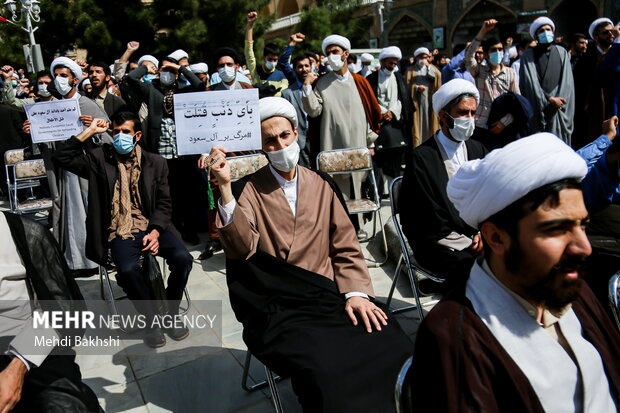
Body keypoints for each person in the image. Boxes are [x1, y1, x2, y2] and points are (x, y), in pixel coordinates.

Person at [209, 96, 412, 412]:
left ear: (296, 135)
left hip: (329, 294)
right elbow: (241, 248)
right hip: (279, 307)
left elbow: (346, 246)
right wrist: (223, 189)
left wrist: (357, 294)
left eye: (284, 136)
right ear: (262, 147)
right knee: (325, 369)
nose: (279, 145)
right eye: (270, 141)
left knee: (390, 339)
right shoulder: (247, 189)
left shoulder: (322, 183)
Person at [409, 132, 620, 412]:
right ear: (496, 238)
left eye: (582, 225)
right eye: (557, 229)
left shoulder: (568, 287)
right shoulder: (456, 339)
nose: (583, 247)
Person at [52, 111, 193, 348]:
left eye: (125, 132)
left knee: (183, 259)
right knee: (127, 270)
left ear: (137, 135)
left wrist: (156, 231)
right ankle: (150, 321)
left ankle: (169, 313)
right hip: (119, 229)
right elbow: (62, 157)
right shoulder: (99, 160)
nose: (119, 136)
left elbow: (164, 202)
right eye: (115, 132)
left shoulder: (155, 162)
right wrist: (90, 132)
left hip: (152, 225)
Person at [0, 211, 103, 412]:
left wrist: (18, 366)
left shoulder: (26, 234)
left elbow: (61, 309)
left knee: (65, 405)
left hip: (28, 346)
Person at [400, 79, 487, 285]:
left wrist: (485, 232)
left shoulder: (478, 150)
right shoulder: (422, 158)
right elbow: (426, 216)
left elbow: (492, 197)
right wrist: (468, 241)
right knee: (477, 272)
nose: (469, 119)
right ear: (443, 115)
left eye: (473, 113)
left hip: (480, 237)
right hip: (437, 241)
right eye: (462, 113)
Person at [301, 34, 381, 217]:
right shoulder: (321, 82)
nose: (331, 56)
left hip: (359, 143)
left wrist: (371, 142)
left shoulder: (360, 82)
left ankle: (360, 224)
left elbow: (370, 113)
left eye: (335, 51)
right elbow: (313, 111)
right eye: (328, 53)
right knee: (338, 189)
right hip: (333, 145)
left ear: (346, 54)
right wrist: (307, 86)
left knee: (359, 186)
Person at [520, 17, 575, 145]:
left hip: (560, 109)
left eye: (548, 29)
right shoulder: (528, 56)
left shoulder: (562, 52)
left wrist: (559, 101)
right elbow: (530, 84)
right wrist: (549, 99)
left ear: (553, 32)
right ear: (535, 36)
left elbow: (567, 82)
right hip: (539, 112)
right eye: (541, 31)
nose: (545, 33)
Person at [465, 20, 520, 142]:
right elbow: (468, 56)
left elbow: (517, 102)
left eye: (500, 50)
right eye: (494, 50)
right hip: (481, 125)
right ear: (485, 54)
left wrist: (504, 122)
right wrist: (483, 31)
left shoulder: (510, 73)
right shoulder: (479, 71)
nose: (498, 53)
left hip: (502, 127)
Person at [366, 46, 414, 180]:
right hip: (378, 123)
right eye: (390, 63)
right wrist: (382, 112)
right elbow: (370, 99)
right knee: (381, 161)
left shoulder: (399, 78)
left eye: (395, 63)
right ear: (382, 62)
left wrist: (392, 112)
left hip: (396, 123)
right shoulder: (372, 78)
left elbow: (403, 100)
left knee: (396, 160)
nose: (393, 66)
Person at [573, 17, 615, 148]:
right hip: (594, 110)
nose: (610, 35)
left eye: (611, 31)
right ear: (596, 37)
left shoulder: (616, 54)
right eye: (605, 33)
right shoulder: (586, 59)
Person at [245, 11, 288, 95]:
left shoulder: (281, 76)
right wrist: (250, 25)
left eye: (275, 60)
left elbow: (282, 93)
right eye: (270, 59)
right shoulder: (256, 72)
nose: (272, 62)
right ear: (264, 58)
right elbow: (249, 52)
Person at [405, 46, 441, 147]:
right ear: (416, 58)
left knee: (431, 125)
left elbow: (437, 80)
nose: (423, 59)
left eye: (425, 57)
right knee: (418, 126)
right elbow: (407, 86)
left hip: (429, 102)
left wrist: (428, 67)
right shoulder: (410, 70)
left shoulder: (433, 69)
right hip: (417, 102)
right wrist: (416, 88)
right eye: (421, 57)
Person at [281, 54, 313, 167]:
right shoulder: (287, 93)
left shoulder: (319, 87)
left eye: (306, 66)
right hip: (299, 141)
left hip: (318, 138)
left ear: (311, 67)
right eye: (300, 66)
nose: (304, 69)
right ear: (294, 69)